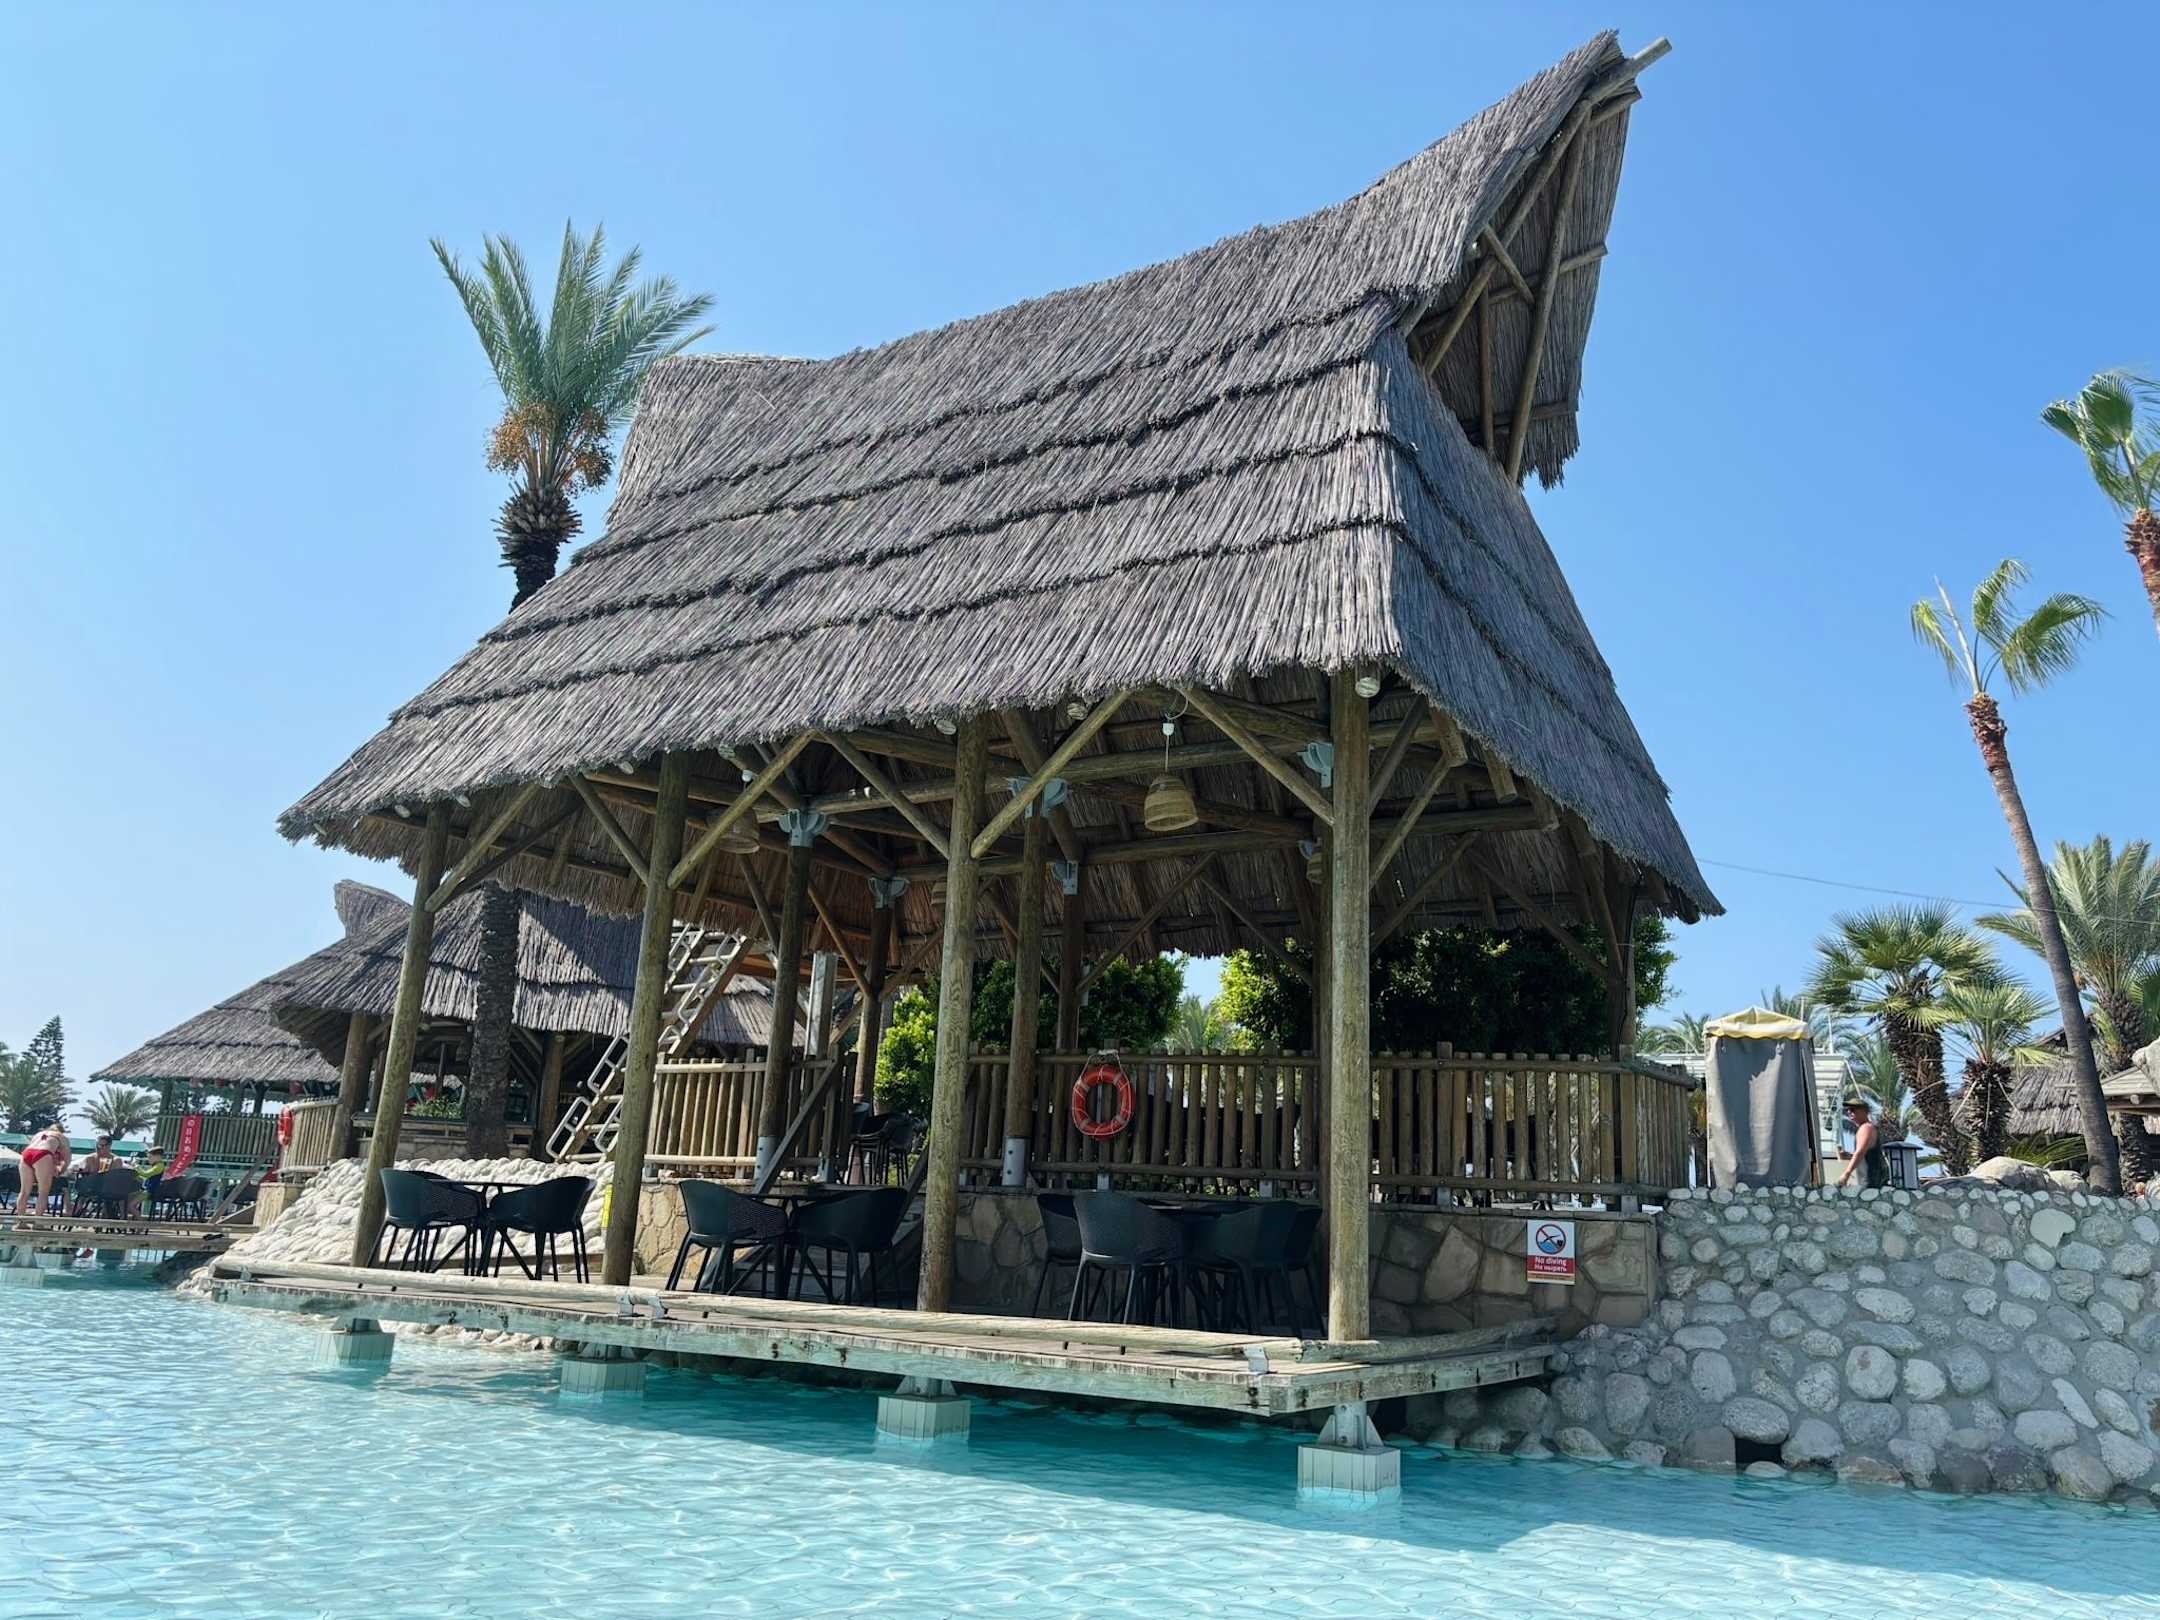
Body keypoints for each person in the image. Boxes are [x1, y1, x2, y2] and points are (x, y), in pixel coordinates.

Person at [16, 1124, 71, 1216]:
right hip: (43, 1153)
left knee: (24, 1192)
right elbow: (67, 1159)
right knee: (43, 1192)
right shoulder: (62, 1137)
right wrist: (61, 1171)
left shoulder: (38, 1134)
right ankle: (38, 1221)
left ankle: (21, 1220)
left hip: (27, 1153)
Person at [1835, 1097, 1888, 1190]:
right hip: (1873, 1181)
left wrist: (1846, 1174)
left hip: (1870, 1182)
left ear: (1865, 1111)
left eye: (1853, 1109)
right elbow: (1867, 1154)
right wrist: (1849, 1156)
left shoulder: (1866, 1128)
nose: (1849, 1112)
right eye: (1848, 1110)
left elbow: (1860, 1152)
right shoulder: (1868, 1128)